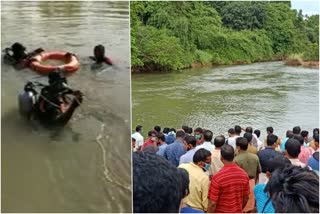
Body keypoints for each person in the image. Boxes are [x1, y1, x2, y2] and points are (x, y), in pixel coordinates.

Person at [208, 144, 250, 213]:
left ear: (221, 157)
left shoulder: (217, 178)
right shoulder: (244, 174)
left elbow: (212, 203)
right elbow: (246, 197)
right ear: (233, 156)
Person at [234, 137, 261, 212]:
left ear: (238, 147)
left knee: (241, 206)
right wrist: (255, 182)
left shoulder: (236, 159)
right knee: (250, 206)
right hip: (252, 182)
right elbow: (258, 171)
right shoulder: (255, 157)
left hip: (240, 184)